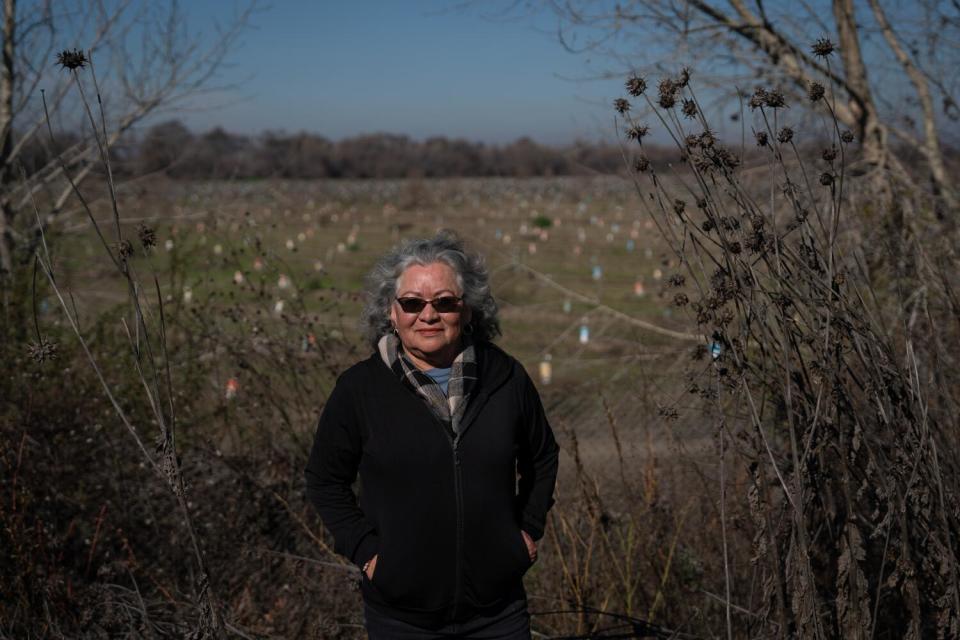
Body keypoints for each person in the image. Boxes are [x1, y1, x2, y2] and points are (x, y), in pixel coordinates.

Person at [305, 230, 560, 639]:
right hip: (402, 616)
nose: (428, 315)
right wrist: (368, 553)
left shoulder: (506, 377)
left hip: (499, 610)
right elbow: (324, 479)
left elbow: (542, 456)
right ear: (391, 312)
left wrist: (526, 530)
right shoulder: (359, 390)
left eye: (444, 302)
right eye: (412, 303)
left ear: (468, 310)